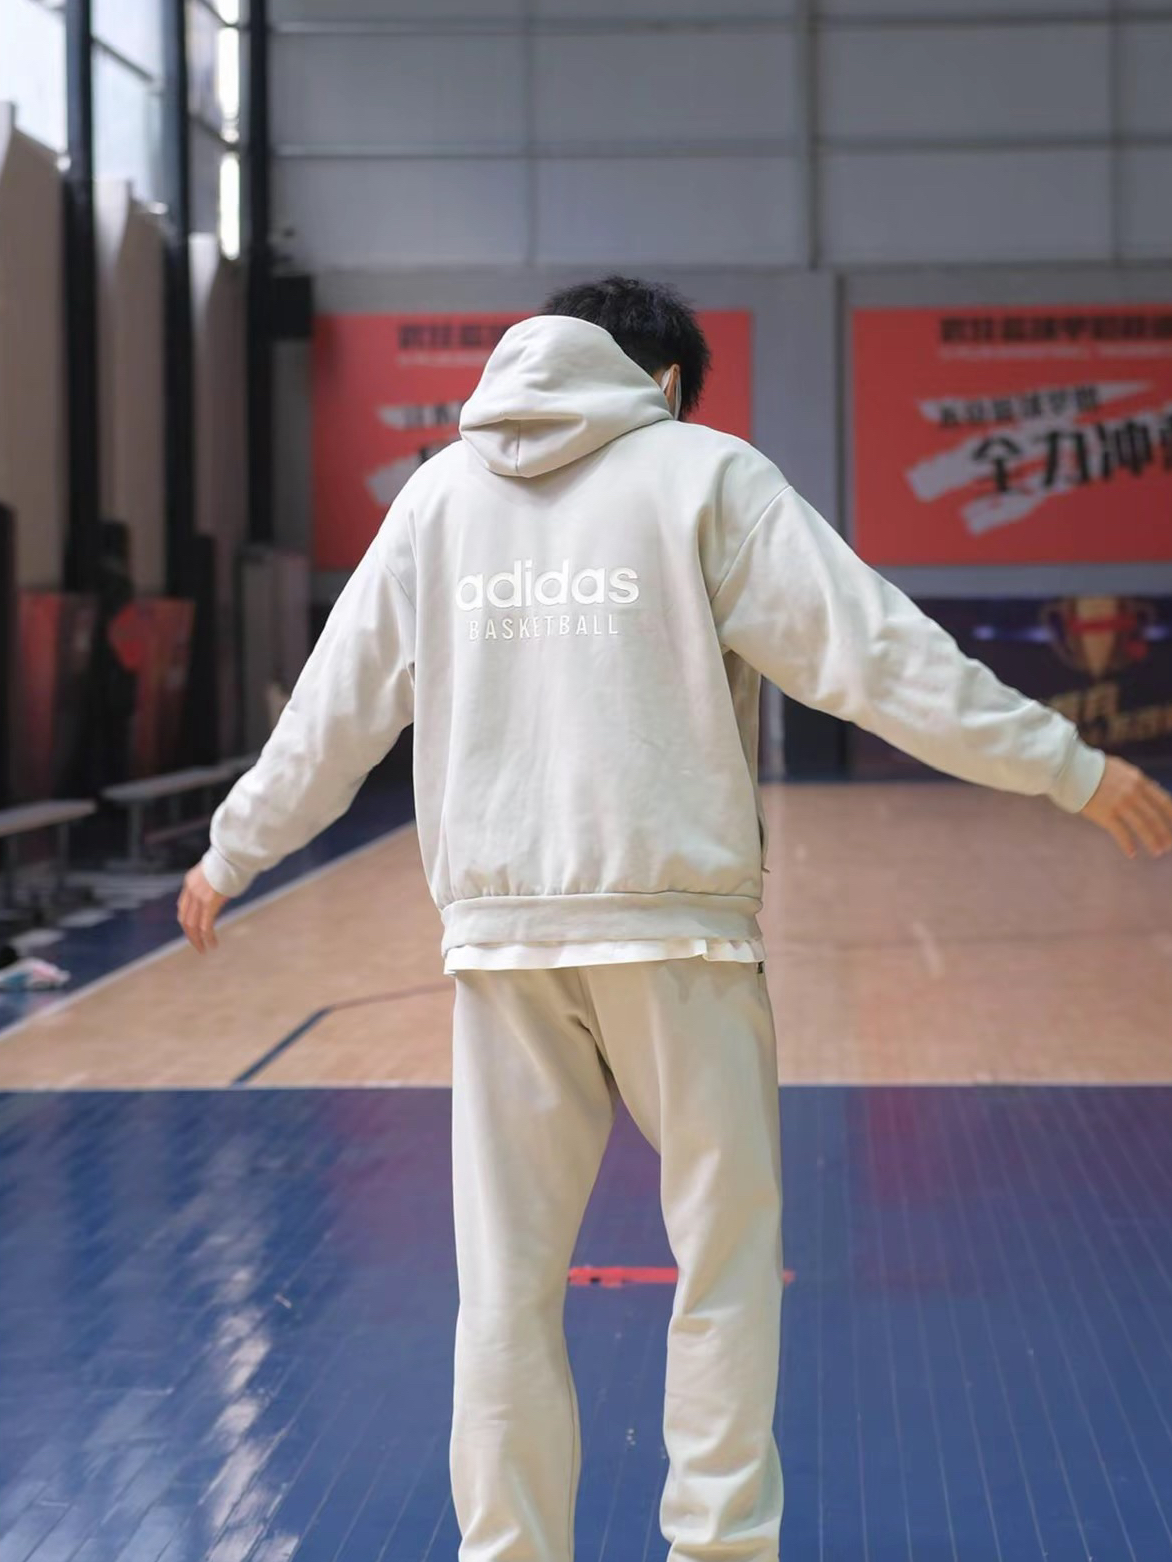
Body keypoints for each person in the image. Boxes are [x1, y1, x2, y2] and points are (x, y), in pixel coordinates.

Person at [178, 276, 1172, 1562]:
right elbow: (878, 656)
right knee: (722, 1269)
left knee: (504, 1292)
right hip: (681, 939)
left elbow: (332, 710)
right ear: (660, 384)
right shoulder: (704, 473)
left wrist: (232, 848)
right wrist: (1068, 766)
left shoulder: (434, 498)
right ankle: (716, 1548)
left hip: (501, 944)